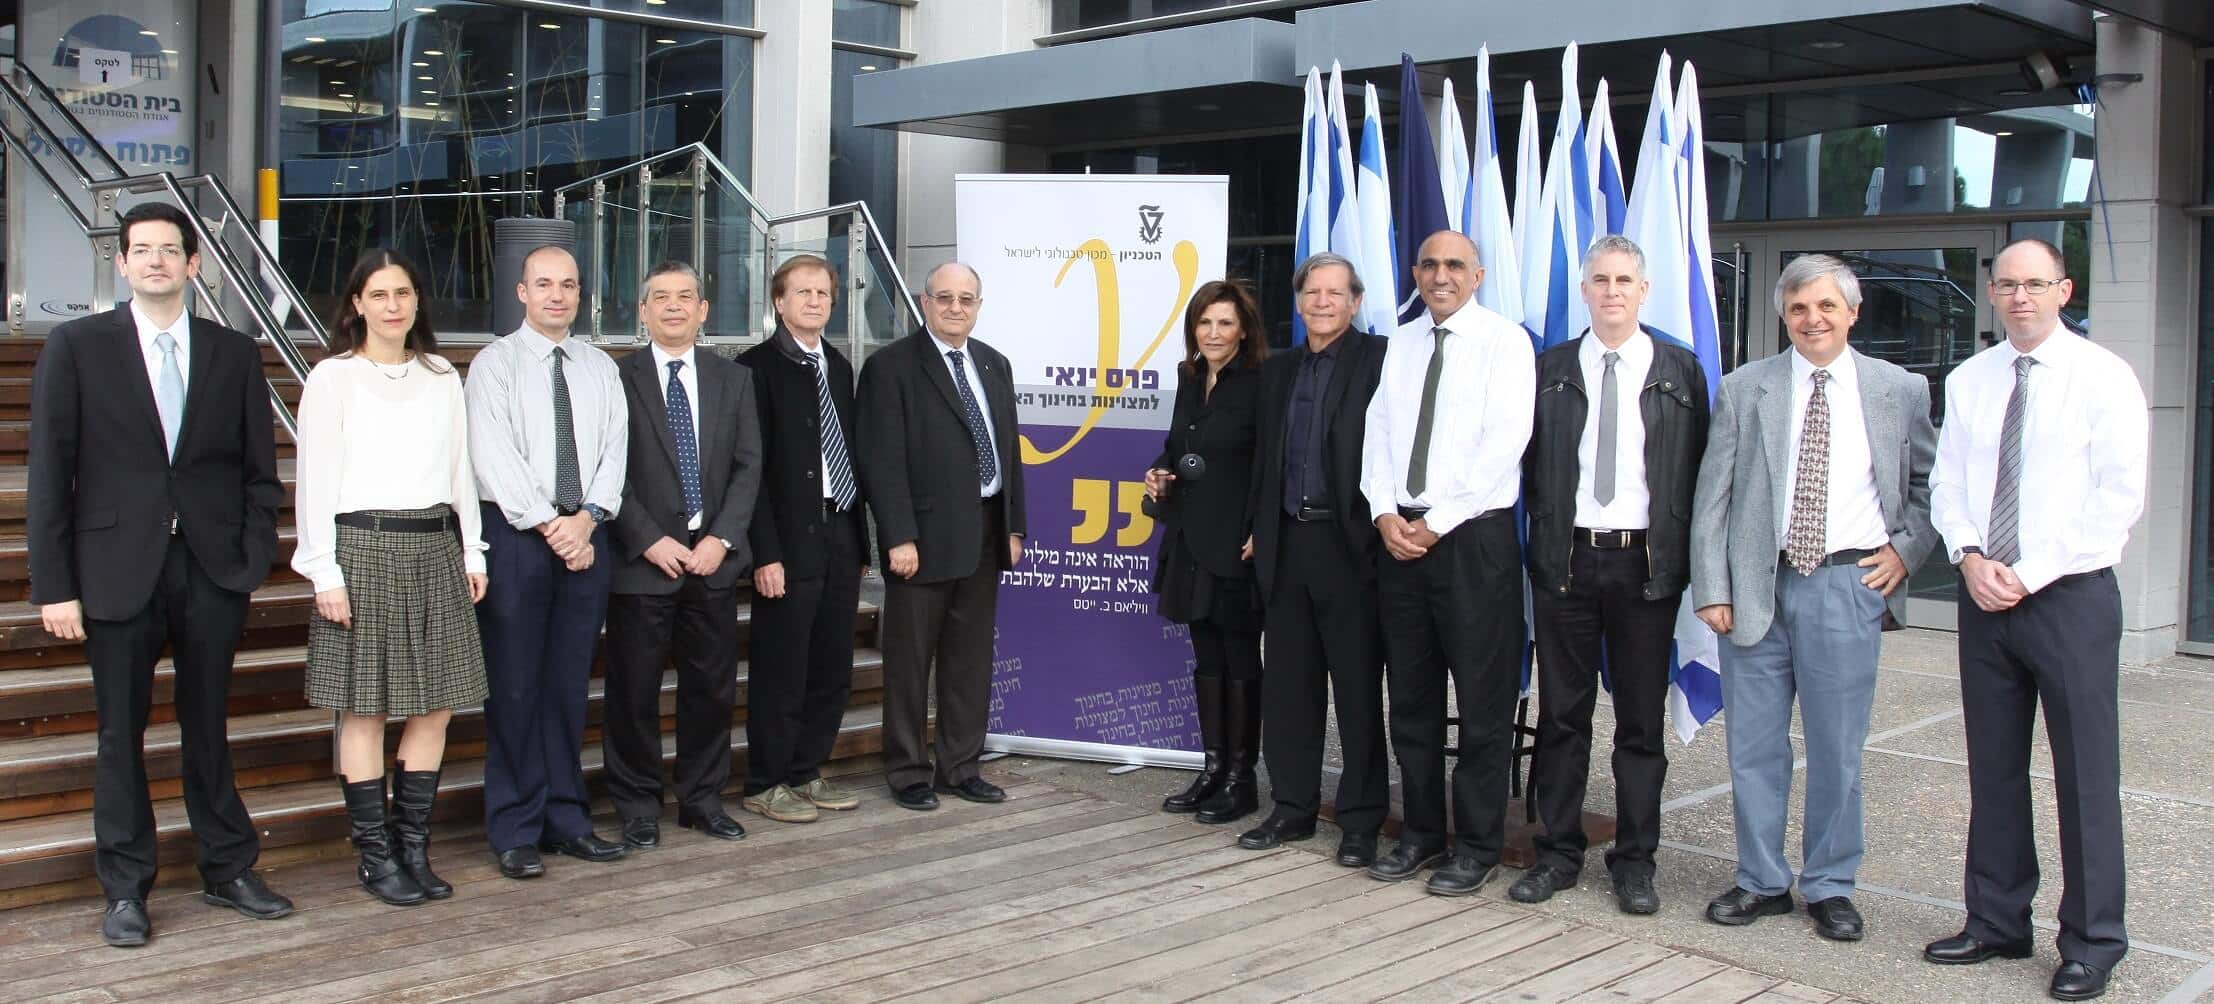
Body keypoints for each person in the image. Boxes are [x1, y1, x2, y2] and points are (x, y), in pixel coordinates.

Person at [28, 201, 293, 945]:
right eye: (140, 249)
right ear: (121, 263)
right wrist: (54, 585)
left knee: (208, 726)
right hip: (112, 570)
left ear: (193, 264)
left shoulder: (232, 352)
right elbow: (51, 475)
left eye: (169, 249)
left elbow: (259, 473)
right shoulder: (77, 347)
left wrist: (249, 557)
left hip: (210, 570)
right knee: (122, 734)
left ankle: (228, 867)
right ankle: (124, 887)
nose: (155, 261)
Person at [1691, 253, 1936, 941]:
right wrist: (1712, 587)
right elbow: (1713, 498)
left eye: (1827, 306)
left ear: (1852, 313)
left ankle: (1830, 884)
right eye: (1799, 307)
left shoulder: (1899, 389)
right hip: (1756, 586)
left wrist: (1906, 552)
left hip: (1845, 586)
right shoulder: (1746, 389)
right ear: (1783, 315)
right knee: (1754, 747)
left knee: (1838, 748)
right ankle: (1761, 880)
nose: (1813, 318)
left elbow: (1928, 485)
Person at [1923, 239, 2144, 1002]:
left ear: (2063, 289)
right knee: (1993, 769)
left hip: (2069, 598)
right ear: (1989, 292)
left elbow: (2116, 498)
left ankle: (2092, 942)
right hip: (1985, 596)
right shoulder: (1970, 379)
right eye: (2007, 284)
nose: (2020, 296)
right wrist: (1970, 557)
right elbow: (1947, 483)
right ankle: (1995, 920)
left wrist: (2030, 571)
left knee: (2085, 775)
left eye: (2035, 284)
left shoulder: (2104, 377)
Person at [1513, 235, 1709, 914]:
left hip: (1645, 567)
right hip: (1566, 561)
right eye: (1601, 279)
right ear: (1586, 289)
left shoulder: (1680, 371)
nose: (1613, 291)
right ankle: (1559, 853)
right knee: (1562, 718)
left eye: (1625, 279)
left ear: (1644, 290)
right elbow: (1526, 466)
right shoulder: (1550, 368)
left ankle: (1635, 861)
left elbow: (1700, 475)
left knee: (1638, 724)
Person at [293, 248, 488, 907]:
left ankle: (412, 848)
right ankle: (375, 858)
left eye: (403, 292)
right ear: (356, 304)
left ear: (417, 301)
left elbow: (463, 470)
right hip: (364, 549)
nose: (393, 305)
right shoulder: (332, 379)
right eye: (378, 294)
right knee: (366, 707)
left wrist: (474, 552)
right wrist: (324, 570)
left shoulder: (441, 375)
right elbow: (315, 481)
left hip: (435, 545)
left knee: (436, 704)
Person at [1361, 230, 1535, 896]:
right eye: (1430, 264)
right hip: (1400, 537)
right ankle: (1423, 834)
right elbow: (1378, 434)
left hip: (1471, 542)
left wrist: (1432, 526)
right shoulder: (1401, 342)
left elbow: (1503, 445)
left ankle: (1478, 845)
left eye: (1454, 265)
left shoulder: (1504, 341)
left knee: (1484, 704)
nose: (1441, 275)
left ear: (1479, 275)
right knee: (1410, 699)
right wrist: (1383, 512)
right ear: (1415, 272)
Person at [466, 244, 630, 878]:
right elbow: (492, 455)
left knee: (566, 688)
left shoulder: (599, 368)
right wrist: (548, 524)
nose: (557, 295)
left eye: (568, 284)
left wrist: (586, 520)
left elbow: (615, 450)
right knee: (514, 686)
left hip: (587, 538)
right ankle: (514, 827)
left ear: (579, 293)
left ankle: (568, 819)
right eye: (544, 284)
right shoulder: (494, 364)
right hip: (516, 539)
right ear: (522, 292)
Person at [1237, 252, 1391, 866]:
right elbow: (1260, 461)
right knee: (1290, 690)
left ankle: (1359, 822)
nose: (1322, 303)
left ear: (1355, 302)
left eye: (1335, 293)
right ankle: (1293, 809)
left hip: (1351, 547)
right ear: (1298, 303)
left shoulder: (1380, 361)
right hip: (1286, 545)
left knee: (1356, 692)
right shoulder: (1278, 371)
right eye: (1311, 293)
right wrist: (1255, 528)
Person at [603, 261, 763, 847]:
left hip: (712, 565)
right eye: (660, 297)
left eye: (686, 297)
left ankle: (702, 800)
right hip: (643, 564)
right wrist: (648, 538)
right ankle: (638, 805)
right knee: (634, 693)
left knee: (712, 691)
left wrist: (720, 540)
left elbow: (749, 467)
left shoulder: (733, 379)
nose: (673, 306)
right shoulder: (615, 379)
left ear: (703, 310)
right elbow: (606, 472)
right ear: (642, 311)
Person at [857, 261, 1027, 811]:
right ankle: (908, 771)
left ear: (979, 305)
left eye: (967, 299)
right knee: (910, 662)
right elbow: (881, 461)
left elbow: (1009, 454)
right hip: (922, 540)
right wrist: (897, 537)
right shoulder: (891, 367)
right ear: (924, 303)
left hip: (984, 532)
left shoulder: (994, 364)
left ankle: (960, 766)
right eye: (945, 298)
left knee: (970, 660)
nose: (956, 308)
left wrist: (1014, 525)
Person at [736, 254, 868, 824]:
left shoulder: (839, 366)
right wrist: (764, 552)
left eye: (823, 293)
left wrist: (860, 544)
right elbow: (752, 471)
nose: (815, 301)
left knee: (831, 664)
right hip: (786, 541)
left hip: (839, 531)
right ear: (779, 302)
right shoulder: (754, 369)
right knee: (781, 668)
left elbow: (852, 459)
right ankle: (766, 781)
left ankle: (805, 771)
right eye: (803, 292)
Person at [1144, 280, 1268, 826]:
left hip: (1237, 546)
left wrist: (1262, 529)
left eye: (1224, 323)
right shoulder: (1190, 378)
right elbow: (1179, 447)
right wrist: (1158, 471)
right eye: (1204, 323)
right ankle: (1212, 769)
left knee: (1240, 660)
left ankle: (1242, 781)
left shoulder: (1264, 381)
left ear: (1244, 329)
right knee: (1207, 659)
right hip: (1192, 539)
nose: (1213, 333)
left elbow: (1273, 462)